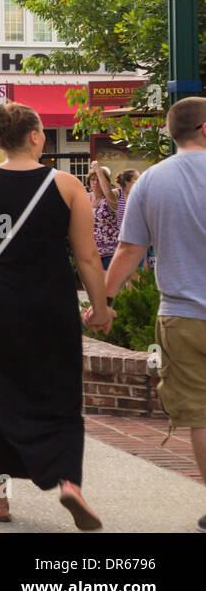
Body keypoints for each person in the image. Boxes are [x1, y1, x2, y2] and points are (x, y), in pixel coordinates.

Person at [0, 102, 111, 529]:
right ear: (33, 136)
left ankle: (0, 501)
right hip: (50, 302)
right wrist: (100, 308)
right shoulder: (67, 186)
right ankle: (68, 482)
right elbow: (87, 257)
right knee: (59, 393)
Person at [103, 97, 206, 534]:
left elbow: (129, 250)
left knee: (200, 414)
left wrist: (103, 302)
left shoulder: (150, 182)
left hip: (182, 314)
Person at [87, 164, 120, 268]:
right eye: (93, 179)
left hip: (110, 251)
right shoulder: (86, 197)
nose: (96, 183)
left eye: (99, 180)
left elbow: (108, 193)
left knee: (107, 283)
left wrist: (98, 170)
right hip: (91, 251)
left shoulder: (111, 196)